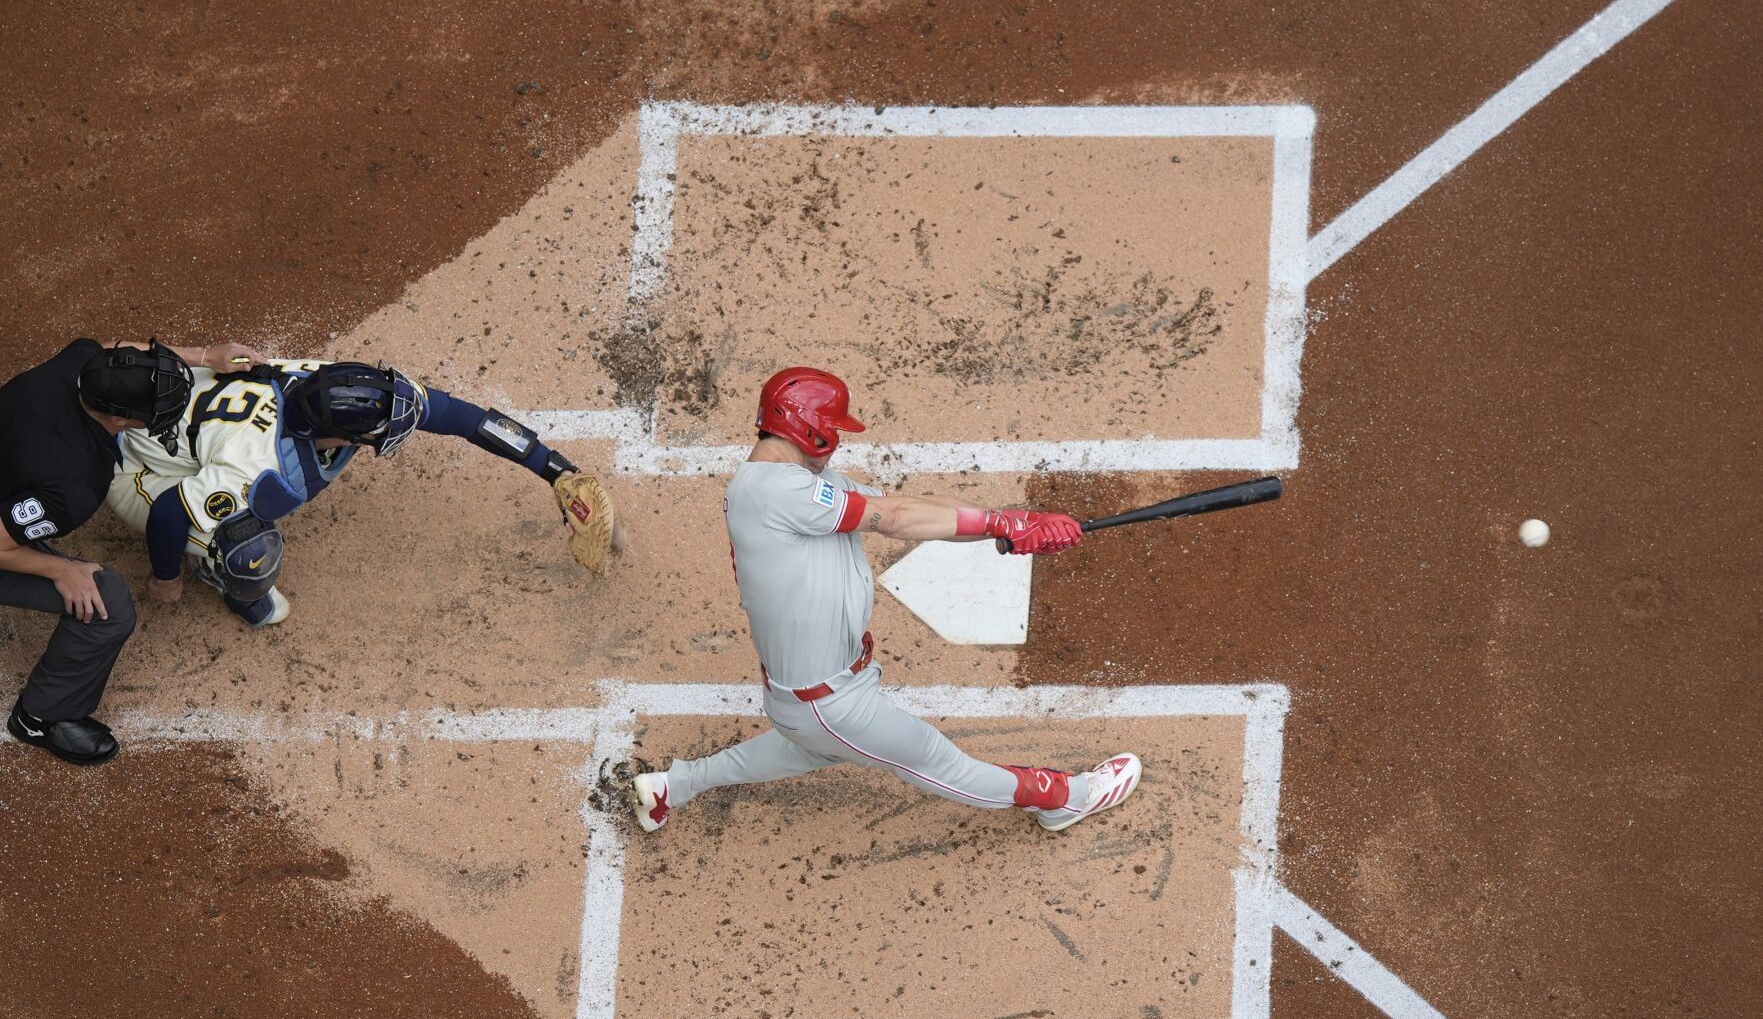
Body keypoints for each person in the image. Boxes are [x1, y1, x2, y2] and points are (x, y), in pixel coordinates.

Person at [631, 366, 1142, 834]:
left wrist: (1010, 525)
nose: (836, 441)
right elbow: (894, 519)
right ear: (811, 428)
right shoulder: (775, 491)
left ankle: (674, 786)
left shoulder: (801, 484)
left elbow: (906, 508)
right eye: (833, 429)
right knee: (937, 761)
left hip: (812, 701)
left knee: (812, 749)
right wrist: (998, 521)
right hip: (832, 705)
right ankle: (1067, 798)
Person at [105, 357, 601, 625]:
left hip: (184, 420)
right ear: (342, 437)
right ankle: (218, 569)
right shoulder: (262, 470)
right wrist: (165, 578)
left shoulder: (331, 386)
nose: (395, 426)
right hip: (137, 467)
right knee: (248, 545)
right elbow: (169, 512)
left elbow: (459, 416)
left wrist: (554, 469)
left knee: (235, 502)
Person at [2, 337, 261, 764]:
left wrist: (202, 356)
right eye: (153, 410)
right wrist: (60, 570)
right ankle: (40, 718)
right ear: (119, 418)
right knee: (108, 604)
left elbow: (115, 348)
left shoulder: (82, 359)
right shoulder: (77, 484)